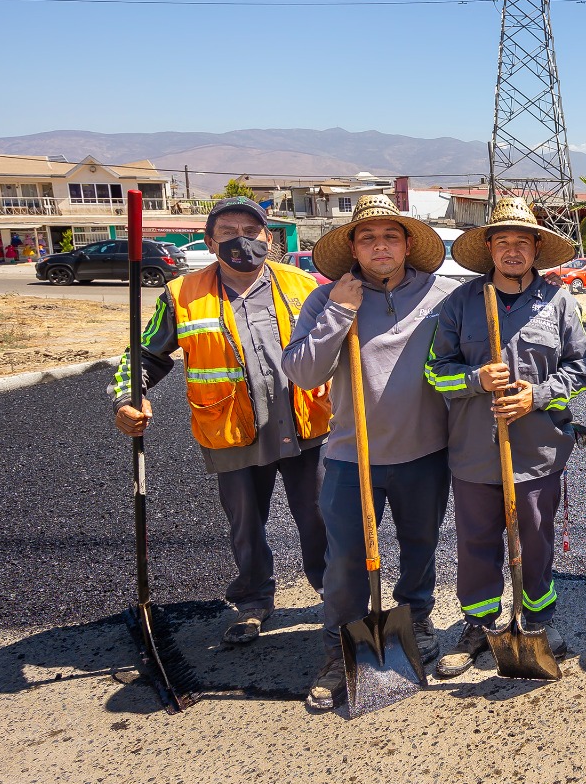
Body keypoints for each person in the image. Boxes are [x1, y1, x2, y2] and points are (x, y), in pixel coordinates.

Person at [111, 196, 331, 650]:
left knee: (319, 517)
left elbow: (337, 348)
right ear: (210, 242)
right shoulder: (182, 294)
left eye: (250, 231)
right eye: (227, 232)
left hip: (307, 426)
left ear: (269, 238)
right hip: (229, 431)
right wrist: (128, 397)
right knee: (246, 523)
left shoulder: (304, 285)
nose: (240, 240)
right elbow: (146, 353)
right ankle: (252, 601)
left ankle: (332, 593)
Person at [283, 196, 456, 710]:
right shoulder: (327, 299)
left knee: (420, 545)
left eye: (390, 236)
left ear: (407, 244)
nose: (380, 246)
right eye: (367, 238)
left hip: (426, 452)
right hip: (349, 455)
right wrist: (340, 310)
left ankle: (416, 619)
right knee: (346, 561)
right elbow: (302, 373)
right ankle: (342, 646)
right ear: (353, 249)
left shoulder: (443, 295)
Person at [424, 198, 586, 678]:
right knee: (476, 541)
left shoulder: (559, 301)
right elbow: (435, 372)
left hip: (538, 451)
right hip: (475, 451)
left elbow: (580, 368)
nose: (513, 251)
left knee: (536, 540)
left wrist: (536, 395)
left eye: (523, 241)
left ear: (537, 248)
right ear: (489, 249)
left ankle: (538, 620)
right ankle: (479, 625)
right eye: (503, 242)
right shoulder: (461, 302)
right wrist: (477, 379)